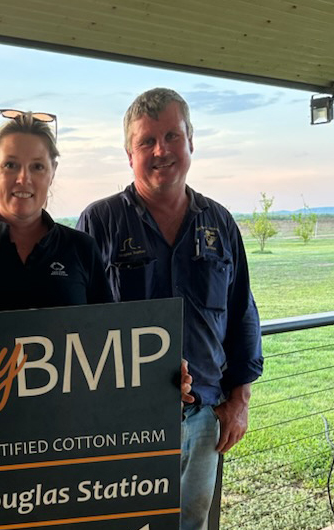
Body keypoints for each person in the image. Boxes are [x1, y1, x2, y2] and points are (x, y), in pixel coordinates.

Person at [77, 87, 263, 530]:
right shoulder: (99, 223)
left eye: (172, 136)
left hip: (201, 419)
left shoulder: (220, 223)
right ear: (129, 154)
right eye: (147, 141)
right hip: (122, 426)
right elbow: (78, 329)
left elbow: (242, 313)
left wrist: (240, 399)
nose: (161, 151)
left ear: (191, 142)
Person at [0, 110, 193, 411]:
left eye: (37, 166)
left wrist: (161, 371)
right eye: (10, 164)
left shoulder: (81, 248)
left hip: (69, 431)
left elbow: (108, 345)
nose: (23, 178)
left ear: (52, 171)